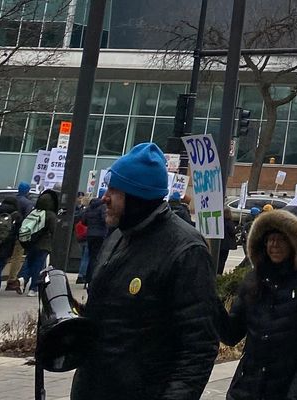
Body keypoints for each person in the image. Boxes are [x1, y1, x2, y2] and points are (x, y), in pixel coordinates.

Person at [71, 143, 220, 399]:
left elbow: (200, 344)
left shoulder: (186, 250)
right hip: (94, 387)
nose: (104, 197)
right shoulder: (118, 236)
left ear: (137, 196)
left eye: (115, 191)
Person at [219, 209, 297, 399]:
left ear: (296, 242)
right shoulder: (254, 278)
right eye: (270, 238)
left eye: (282, 238)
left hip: (286, 390)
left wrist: (296, 394)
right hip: (246, 389)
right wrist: (212, 304)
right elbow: (231, 334)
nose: (274, 245)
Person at [18, 189, 58, 297]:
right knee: (38, 265)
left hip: (31, 243)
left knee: (28, 261)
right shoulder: (51, 215)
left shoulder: (34, 212)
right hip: (44, 245)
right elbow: (54, 230)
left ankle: (23, 278)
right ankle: (33, 288)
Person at [81, 192, 108, 284]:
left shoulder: (89, 208)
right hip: (100, 234)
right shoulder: (103, 207)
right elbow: (105, 220)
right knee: (97, 257)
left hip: (90, 234)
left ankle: (87, 277)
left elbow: (84, 221)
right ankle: (93, 278)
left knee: (90, 256)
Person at [220, 207, 238, 273]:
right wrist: (237, 229)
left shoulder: (220, 221)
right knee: (223, 260)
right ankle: (219, 273)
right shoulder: (229, 222)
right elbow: (232, 232)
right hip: (226, 244)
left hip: (220, 243)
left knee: (219, 260)